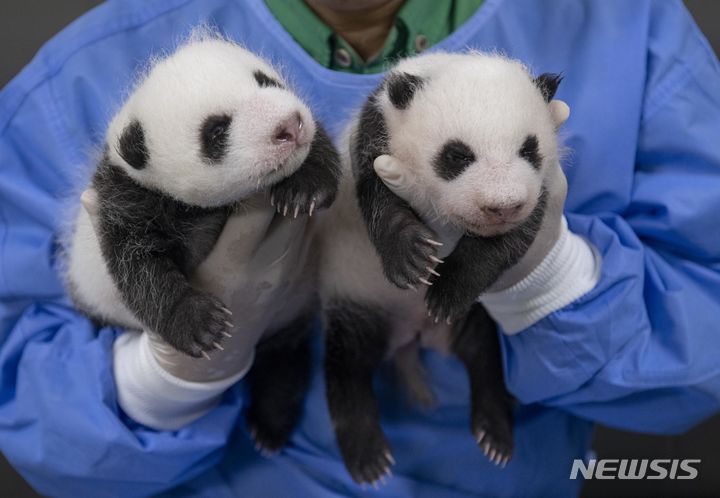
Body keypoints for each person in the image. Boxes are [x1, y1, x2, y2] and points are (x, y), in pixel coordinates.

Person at [0, 0, 719, 496]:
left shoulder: (628, 27)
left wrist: (548, 276)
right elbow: (25, 399)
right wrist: (170, 374)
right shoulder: (88, 75)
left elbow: (700, 348)